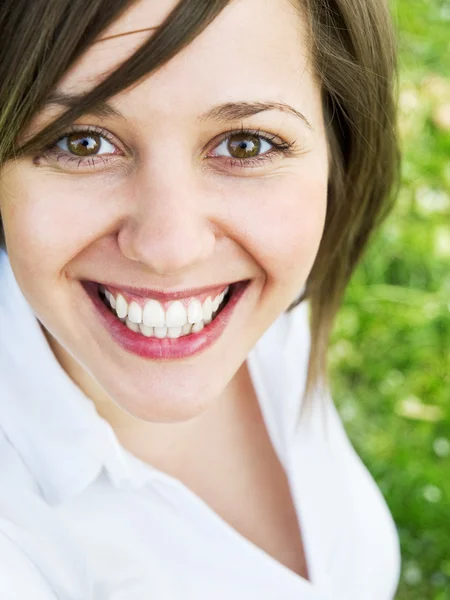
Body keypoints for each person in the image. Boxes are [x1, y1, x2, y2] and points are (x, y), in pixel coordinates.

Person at [0, 0, 400, 598]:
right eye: (82, 143)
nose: (170, 249)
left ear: (334, 148)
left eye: (244, 145)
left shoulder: (274, 303)